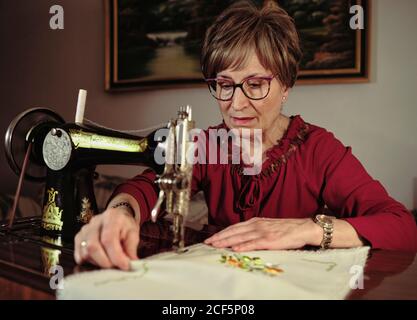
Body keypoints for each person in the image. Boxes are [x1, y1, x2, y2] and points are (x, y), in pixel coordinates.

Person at [74, 0, 417, 270]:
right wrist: (120, 212)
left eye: (255, 84)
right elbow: (145, 186)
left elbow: (402, 227)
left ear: (286, 86)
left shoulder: (319, 151)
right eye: (224, 85)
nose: (236, 104)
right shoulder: (211, 145)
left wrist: (305, 230)